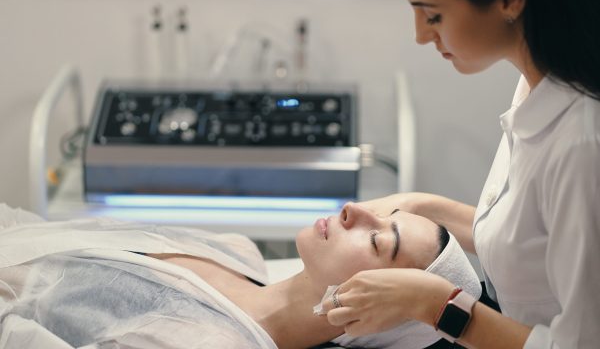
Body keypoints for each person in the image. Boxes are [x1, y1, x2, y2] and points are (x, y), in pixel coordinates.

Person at [321, 0, 600, 348]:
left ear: (508, 0)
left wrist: (432, 304)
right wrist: (421, 205)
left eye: (433, 15)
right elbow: (532, 241)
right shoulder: (538, 90)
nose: (420, 35)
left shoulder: (584, 143)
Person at [0, 202, 480, 349]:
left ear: (374, 309)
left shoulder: (213, 342)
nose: (355, 210)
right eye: (384, 212)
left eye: (380, 241)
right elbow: (40, 233)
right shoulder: (236, 251)